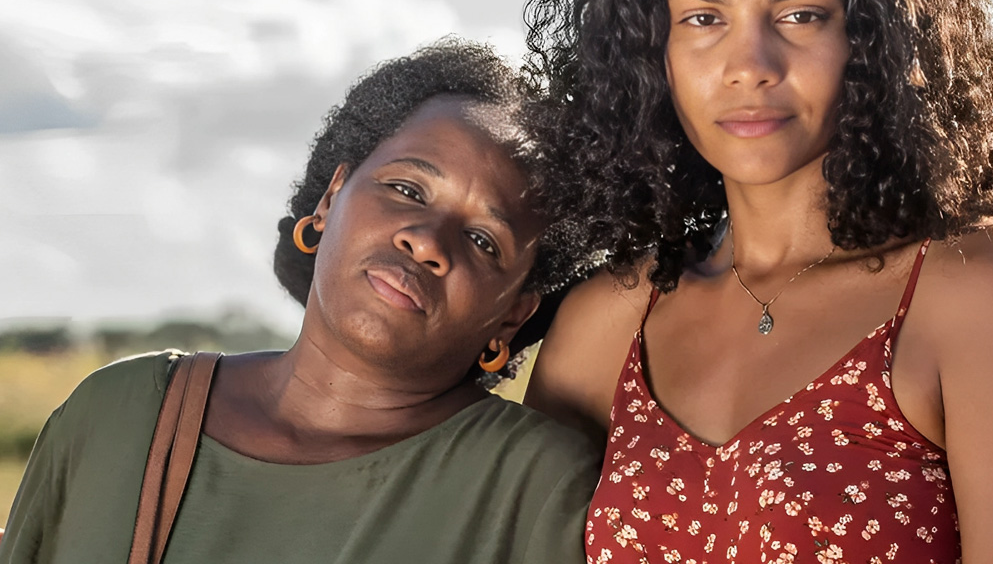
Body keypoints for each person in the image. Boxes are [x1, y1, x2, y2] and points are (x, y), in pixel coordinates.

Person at [524, 0, 993, 562]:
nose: (751, 63)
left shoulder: (977, 293)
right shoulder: (609, 322)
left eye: (801, 15)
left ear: (876, 37)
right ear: (649, 50)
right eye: (703, 17)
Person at [0, 41, 599, 564]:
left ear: (514, 313)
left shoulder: (538, 489)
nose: (425, 240)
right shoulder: (117, 414)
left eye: (482, 240)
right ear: (331, 198)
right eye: (407, 189)